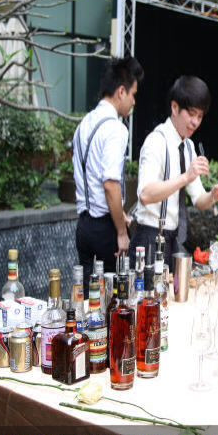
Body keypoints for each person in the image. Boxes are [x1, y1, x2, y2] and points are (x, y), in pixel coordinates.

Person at [130, 75, 218, 267]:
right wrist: (186, 176)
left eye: (200, 116)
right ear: (175, 107)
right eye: (191, 114)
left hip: (174, 239)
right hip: (150, 236)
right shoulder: (156, 141)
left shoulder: (188, 146)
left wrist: (213, 195)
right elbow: (145, 194)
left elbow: (199, 200)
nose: (195, 122)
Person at [73, 56, 143, 288]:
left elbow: (91, 178)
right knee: (115, 298)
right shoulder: (115, 129)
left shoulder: (83, 124)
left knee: (87, 297)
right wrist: (122, 232)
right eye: (133, 94)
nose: (134, 102)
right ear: (121, 92)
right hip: (105, 229)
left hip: (83, 226)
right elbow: (110, 184)